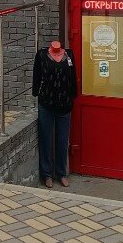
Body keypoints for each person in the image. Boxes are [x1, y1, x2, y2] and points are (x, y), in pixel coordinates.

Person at [32, 40, 77, 189]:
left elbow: (73, 77)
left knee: (62, 141)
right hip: (47, 103)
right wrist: (35, 92)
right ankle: (47, 175)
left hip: (65, 104)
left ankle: (61, 173)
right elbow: (37, 75)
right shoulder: (41, 55)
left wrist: (73, 95)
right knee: (46, 140)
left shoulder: (69, 55)